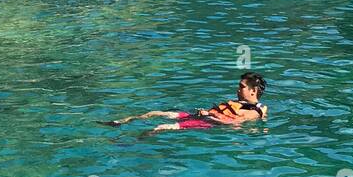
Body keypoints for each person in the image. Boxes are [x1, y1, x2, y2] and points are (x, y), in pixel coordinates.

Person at [112, 73, 268, 133]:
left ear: (253, 91)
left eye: (241, 87)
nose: (237, 89)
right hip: (201, 116)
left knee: (160, 127)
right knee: (155, 113)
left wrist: (209, 116)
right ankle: (120, 122)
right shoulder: (238, 102)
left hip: (208, 123)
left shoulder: (254, 111)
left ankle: (133, 142)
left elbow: (234, 123)